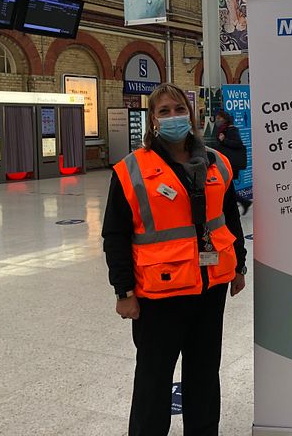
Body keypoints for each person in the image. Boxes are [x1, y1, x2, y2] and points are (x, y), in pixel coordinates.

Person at [102, 83, 247, 436]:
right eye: (163, 111)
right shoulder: (131, 170)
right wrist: (123, 291)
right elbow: (115, 235)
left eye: (178, 109)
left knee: (204, 375)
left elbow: (229, 218)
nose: (173, 117)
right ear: (153, 120)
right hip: (159, 295)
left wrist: (239, 265)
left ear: (191, 114)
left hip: (209, 289)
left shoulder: (217, 163)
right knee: (153, 380)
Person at [215, 110, 252, 214]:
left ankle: (241, 203)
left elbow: (237, 144)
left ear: (225, 119)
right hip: (225, 162)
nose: (217, 121)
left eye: (219, 118)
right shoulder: (222, 129)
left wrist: (224, 140)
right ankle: (243, 203)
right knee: (227, 187)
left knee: (226, 187)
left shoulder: (231, 129)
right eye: (216, 118)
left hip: (231, 163)